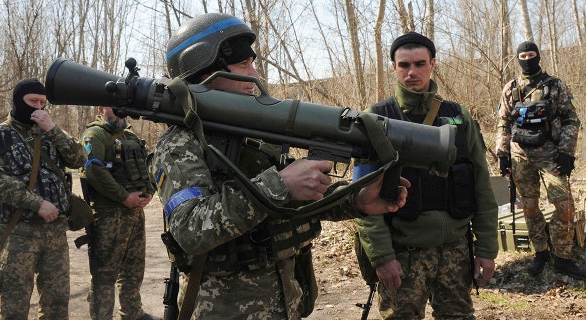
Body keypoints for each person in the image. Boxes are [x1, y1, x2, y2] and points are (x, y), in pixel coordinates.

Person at [148, 12, 409, 320]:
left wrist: (355, 200)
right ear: (205, 71)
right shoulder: (180, 143)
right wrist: (279, 183)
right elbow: (190, 229)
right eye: (244, 64)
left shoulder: (253, 132)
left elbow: (295, 201)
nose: (254, 74)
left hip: (288, 302)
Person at [354, 32, 498, 319]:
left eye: (420, 64)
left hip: (456, 251)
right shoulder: (375, 120)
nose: (412, 72)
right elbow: (362, 199)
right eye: (404, 65)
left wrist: (487, 248)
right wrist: (382, 257)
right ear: (393, 67)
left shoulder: (458, 116)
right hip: (403, 253)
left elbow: (481, 184)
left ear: (433, 64)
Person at [0, 78, 86, 319]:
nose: (38, 107)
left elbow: (79, 159)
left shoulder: (50, 132)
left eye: (42, 103)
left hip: (55, 234)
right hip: (18, 234)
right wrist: (36, 203)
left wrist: (54, 129)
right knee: (15, 305)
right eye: (32, 101)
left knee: (57, 304)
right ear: (18, 101)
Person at [496, 41, 583, 279]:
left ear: (538, 56)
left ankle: (563, 258)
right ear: (517, 58)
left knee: (565, 206)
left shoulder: (555, 85)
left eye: (531, 54)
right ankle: (541, 252)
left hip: (552, 155)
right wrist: (503, 154)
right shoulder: (511, 88)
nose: (527, 59)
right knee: (530, 207)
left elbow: (571, 120)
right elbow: (503, 122)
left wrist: (567, 153)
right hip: (520, 157)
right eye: (522, 55)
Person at [80, 106, 155, 320]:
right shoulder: (94, 135)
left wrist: (148, 192)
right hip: (108, 215)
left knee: (134, 266)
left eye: (123, 109)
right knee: (105, 272)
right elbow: (94, 171)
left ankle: (132, 312)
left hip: (135, 213)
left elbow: (145, 166)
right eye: (115, 109)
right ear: (101, 109)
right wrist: (124, 197)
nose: (121, 113)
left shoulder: (130, 134)